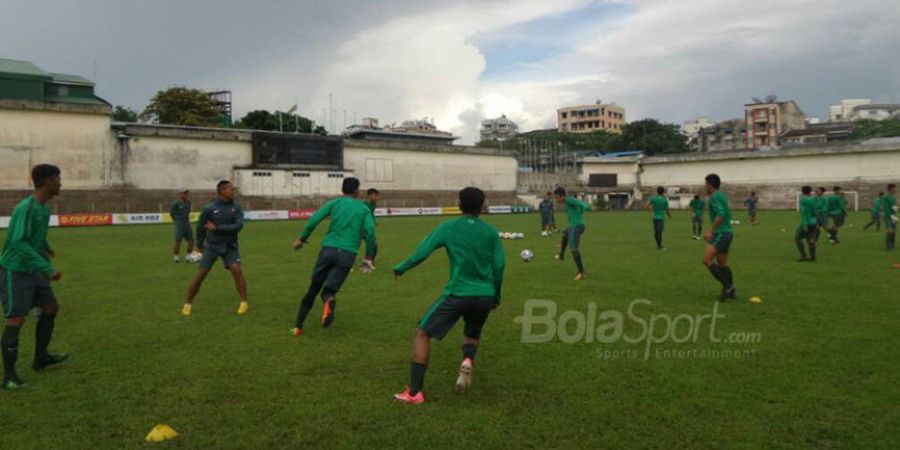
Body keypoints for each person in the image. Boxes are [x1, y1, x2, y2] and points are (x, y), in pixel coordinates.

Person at [392, 187, 504, 404]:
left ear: (459, 204)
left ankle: (415, 393)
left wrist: (401, 267)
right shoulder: (491, 232)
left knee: (423, 333)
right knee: (472, 334)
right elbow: (499, 266)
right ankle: (468, 359)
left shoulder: (449, 227)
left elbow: (422, 252)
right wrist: (495, 296)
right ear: (482, 206)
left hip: (459, 293)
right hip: (484, 295)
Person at [1, 164, 68, 390]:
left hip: (33, 268)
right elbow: (18, 242)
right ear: (46, 182)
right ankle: (9, 377)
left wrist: (46, 247)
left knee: (50, 307)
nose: (60, 183)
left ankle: (41, 358)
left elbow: (35, 237)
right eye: (57, 179)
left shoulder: (44, 209)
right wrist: (47, 268)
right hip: (15, 269)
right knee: (16, 319)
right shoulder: (26, 207)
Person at [291, 177, 376, 336]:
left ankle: (298, 326)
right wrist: (368, 257)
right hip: (348, 254)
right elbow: (370, 233)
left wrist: (301, 239)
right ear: (357, 191)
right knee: (328, 292)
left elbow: (314, 220)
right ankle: (329, 300)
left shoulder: (334, 203)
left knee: (313, 289)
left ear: (342, 190)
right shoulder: (364, 209)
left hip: (328, 250)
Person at [181, 180, 248, 316]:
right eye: (231, 190)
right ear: (222, 191)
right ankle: (188, 303)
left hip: (230, 246)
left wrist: (217, 228)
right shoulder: (209, 208)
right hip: (212, 246)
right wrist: (200, 245)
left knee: (236, 269)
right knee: (201, 274)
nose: (233, 192)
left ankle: (244, 302)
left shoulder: (236, 207)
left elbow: (239, 226)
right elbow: (200, 228)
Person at [702, 174, 736, 301]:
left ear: (710, 185)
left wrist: (711, 231)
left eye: (706, 184)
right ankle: (731, 291)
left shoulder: (714, 197)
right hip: (728, 232)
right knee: (722, 264)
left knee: (707, 260)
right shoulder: (721, 195)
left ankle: (728, 286)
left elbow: (721, 214)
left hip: (721, 233)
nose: (705, 186)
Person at [553, 188, 591, 281]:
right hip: (574, 226)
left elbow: (578, 203)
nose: (556, 200)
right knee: (564, 233)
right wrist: (581, 210)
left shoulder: (569, 200)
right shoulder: (567, 202)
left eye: (557, 197)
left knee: (574, 250)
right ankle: (561, 254)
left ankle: (581, 273)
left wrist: (586, 207)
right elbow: (579, 207)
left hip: (577, 226)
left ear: (562, 196)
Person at [170, 189, 194, 263]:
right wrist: (176, 221)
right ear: (180, 194)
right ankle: (176, 257)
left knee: (191, 240)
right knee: (178, 240)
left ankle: (188, 256)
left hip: (187, 223)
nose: (186, 195)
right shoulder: (176, 203)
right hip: (179, 223)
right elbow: (172, 214)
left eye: (187, 194)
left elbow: (188, 212)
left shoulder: (188, 203)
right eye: (185, 193)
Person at [795, 186, 819, 262]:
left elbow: (804, 213)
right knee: (811, 240)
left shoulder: (803, 200)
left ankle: (803, 255)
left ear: (802, 192)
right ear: (810, 192)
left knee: (797, 238)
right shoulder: (813, 200)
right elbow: (815, 212)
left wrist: (805, 225)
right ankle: (813, 257)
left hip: (806, 222)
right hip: (813, 222)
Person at [363, 188, 380, 262]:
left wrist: (374, 220)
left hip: (367, 229)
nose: (377, 198)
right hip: (359, 228)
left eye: (377, 196)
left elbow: (371, 214)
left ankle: (371, 261)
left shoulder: (373, 204)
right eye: (375, 196)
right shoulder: (363, 204)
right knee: (353, 246)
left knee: (374, 244)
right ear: (369, 196)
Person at [883, 183, 897, 251]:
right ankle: (888, 246)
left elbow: (893, 207)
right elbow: (886, 208)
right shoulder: (886, 197)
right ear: (890, 189)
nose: (895, 189)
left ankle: (892, 245)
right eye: (894, 188)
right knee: (890, 230)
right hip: (887, 216)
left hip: (893, 216)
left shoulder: (893, 197)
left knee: (893, 231)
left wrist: (895, 208)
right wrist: (891, 215)